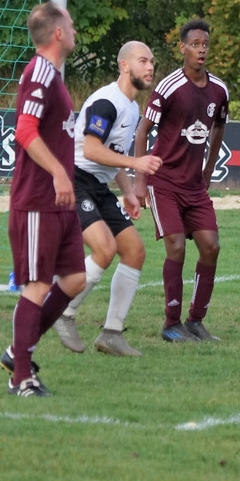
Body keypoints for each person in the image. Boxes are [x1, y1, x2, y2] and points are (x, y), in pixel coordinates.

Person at [51, 42, 162, 356]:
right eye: (143, 61)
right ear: (125, 66)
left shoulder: (132, 107)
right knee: (105, 249)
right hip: (75, 180)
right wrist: (136, 163)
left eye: (152, 62)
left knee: (134, 251)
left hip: (98, 186)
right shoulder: (106, 102)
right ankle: (62, 310)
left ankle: (112, 333)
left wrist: (127, 191)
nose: (150, 67)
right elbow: (91, 150)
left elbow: (112, 156)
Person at [0, 2, 86, 397]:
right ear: (57, 33)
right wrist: (57, 172)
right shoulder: (39, 72)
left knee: (75, 279)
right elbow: (24, 130)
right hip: (38, 198)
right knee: (36, 285)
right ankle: (21, 377)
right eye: (70, 25)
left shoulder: (53, 75)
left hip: (60, 202)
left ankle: (18, 350)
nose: (75, 30)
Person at [134, 18, 229, 342]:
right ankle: (171, 324)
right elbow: (143, 131)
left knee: (211, 246)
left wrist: (208, 169)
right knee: (175, 247)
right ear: (182, 48)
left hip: (195, 186)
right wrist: (140, 181)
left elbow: (219, 126)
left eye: (205, 45)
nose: (201, 50)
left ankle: (196, 321)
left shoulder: (219, 90)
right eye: (195, 45)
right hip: (164, 183)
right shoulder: (169, 87)